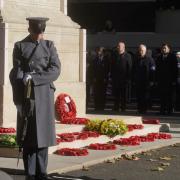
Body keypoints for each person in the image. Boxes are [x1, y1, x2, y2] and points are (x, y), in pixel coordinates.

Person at [9, 17, 61, 180]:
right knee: (29, 136)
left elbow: (55, 70)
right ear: (29, 30)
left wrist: (35, 77)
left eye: (41, 33)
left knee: (43, 136)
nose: (40, 36)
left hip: (44, 94)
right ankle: (30, 173)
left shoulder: (49, 46)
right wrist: (17, 100)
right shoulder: (20, 46)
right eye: (37, 33)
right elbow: (16, 73)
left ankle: (42, 172)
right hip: (28, 96)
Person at [155, 43, 177, 115]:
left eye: (165, 48)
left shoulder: (172, 57)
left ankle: (170, 110)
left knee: (169, 96)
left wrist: (174, 80)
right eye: (162, 48)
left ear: (169, 49)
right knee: (162, 96)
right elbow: (157, 69)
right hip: (161, 80)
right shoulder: (159, 57)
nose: (163, 49)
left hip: (170, 80)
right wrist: (156, 80)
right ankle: (162, 110)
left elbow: (175, 69)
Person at [133, 44, 155, 114]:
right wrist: (133, 79)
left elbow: (153, 70)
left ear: (145, 51)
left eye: (142, 50)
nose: (141, 51)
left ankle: (144, 109)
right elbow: (133, 70)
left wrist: (152, 80)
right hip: (138, 81)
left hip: (146, 81)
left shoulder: (150, 59)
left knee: (145, 96)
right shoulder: (136, 59)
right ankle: (139, 109)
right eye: (140, 50)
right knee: (139, 96)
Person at [111, 41, 132, 112]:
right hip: (116, 79)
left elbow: (130, 68)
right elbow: (112, 67)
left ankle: (123, 108)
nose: (118, 47)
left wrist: (128, 78)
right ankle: (116, 107)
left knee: (123, 95)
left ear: (123, 47)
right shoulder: (114, 55)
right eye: (117, 46)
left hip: (124, 79)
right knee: (116, 94)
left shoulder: (128, 56)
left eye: (119, 46)